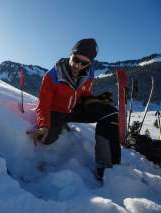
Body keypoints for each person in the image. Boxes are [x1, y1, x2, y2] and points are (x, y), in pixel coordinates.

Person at [33, 38, 120, 181]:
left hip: (74, 109)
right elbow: (43, 103)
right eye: (76, 59)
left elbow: (83, 94)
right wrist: (43, 125)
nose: (78, 66)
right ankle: (59, 126)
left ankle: (108, 166)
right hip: (57, 111)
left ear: (90, 63)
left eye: (84, 63)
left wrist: (95, 99)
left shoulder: (88, 73)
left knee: (110, 112)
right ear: (70, 54)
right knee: (46, 139)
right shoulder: (53, 76)